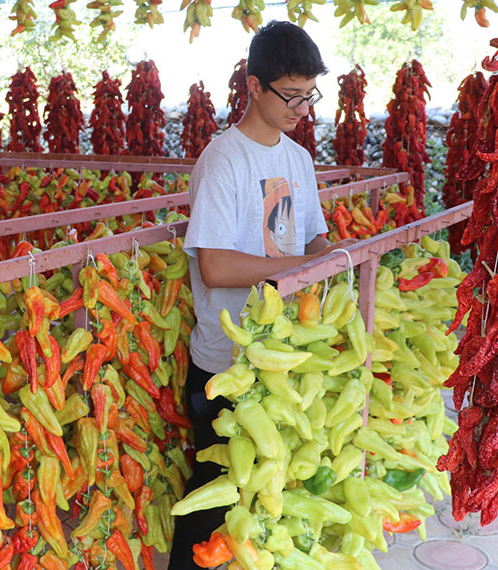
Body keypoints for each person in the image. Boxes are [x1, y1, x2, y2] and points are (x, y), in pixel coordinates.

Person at [171, 20, 357, 568]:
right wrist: (302, 266)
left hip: (279, 359)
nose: (303, 108)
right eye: (292, 95)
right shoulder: (223, 160)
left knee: (268, 506)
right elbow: (214, 266)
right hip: (226, 364)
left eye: (310, 95)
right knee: (213, 501)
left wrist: (336, 253)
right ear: (254, 86)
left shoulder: (297, 159)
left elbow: (311, 238)